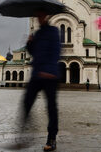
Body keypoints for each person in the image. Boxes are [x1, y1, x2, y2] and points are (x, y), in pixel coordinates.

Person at [23, 10, 61, 151]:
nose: (39, 18)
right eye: (37, 16)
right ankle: (25, 134)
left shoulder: (53, 31)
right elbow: (34, 53)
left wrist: (49, 70)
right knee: (26, 102)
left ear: (46, 16)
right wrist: (29, 44)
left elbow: (56, 51)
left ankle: (52, 138)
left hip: (50, 75)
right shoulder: (37, 34)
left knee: (51, 108)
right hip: (37, 74)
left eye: (41, 15)